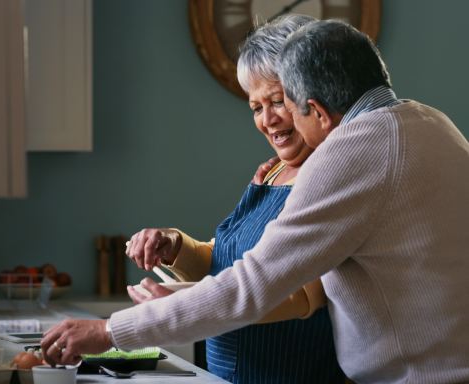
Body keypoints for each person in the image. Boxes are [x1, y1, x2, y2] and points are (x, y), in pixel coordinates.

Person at [41, 20, 469, 383]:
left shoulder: (352, 152)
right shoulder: (434, 123)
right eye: (256, 107)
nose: (271, 120)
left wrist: (110, 330)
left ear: (316, 111)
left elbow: (256, 286)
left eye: (285, 104)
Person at [124, 14, 343, 384]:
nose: (268, 120)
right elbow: (228, 260)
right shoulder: (272, 172)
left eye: (277, 101)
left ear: (313, 96)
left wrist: (187, 304)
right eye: (256, 108)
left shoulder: (330, 177)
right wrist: (174, 246)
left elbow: (301, 296)